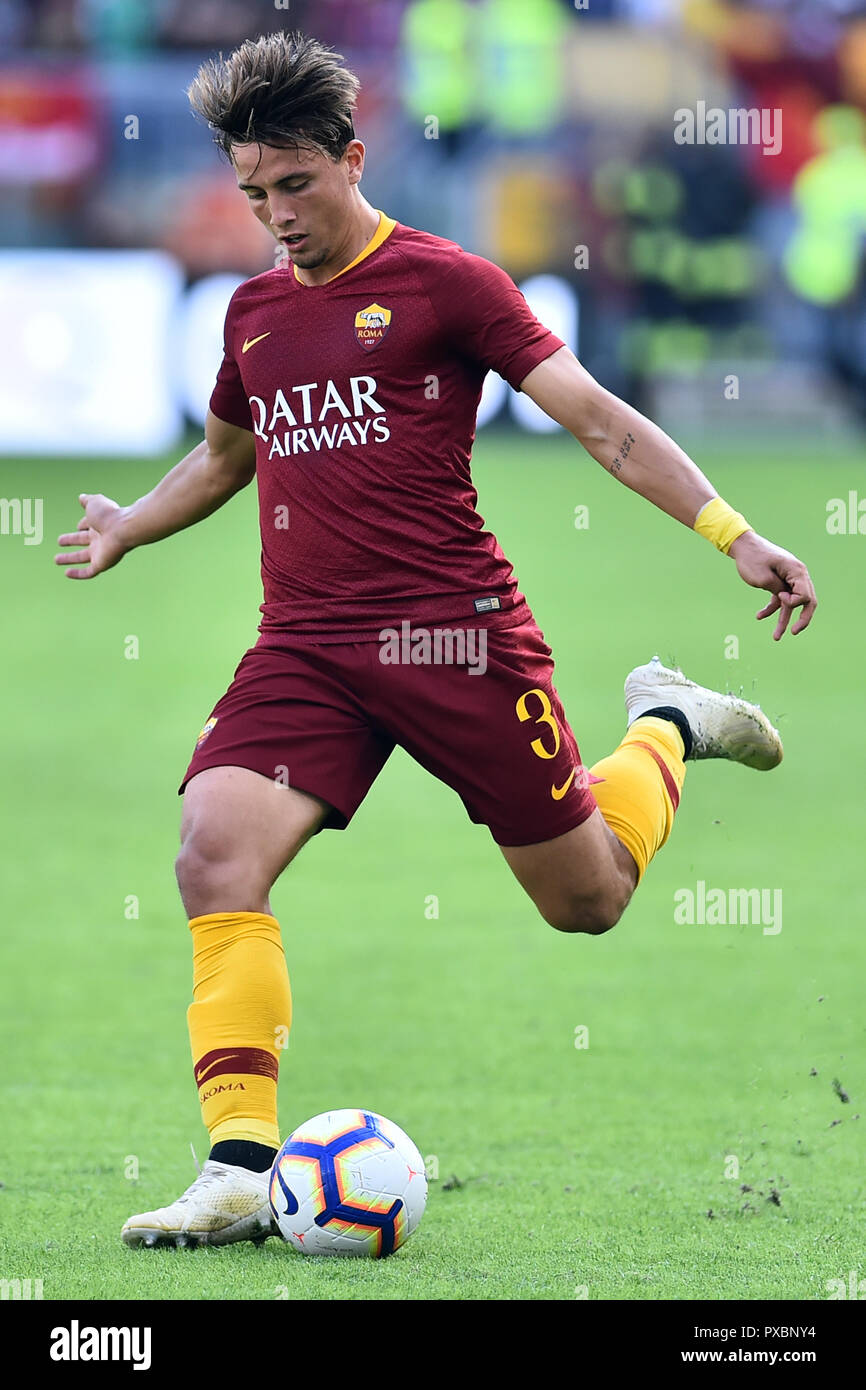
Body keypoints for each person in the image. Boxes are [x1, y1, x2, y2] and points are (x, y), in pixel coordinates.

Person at [55, 32, 817, 1248]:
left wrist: (730, 532)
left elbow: (601, 425)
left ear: (354, 158)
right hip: (303, 648)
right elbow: (221, 461)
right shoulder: (253, 314)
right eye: (255, 193)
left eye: (295, 185)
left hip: (451, 640)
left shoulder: (444, 283)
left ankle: (665, 721)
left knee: (588, 901)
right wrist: (128, 530)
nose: (276, 216)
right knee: (213, 854)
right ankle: (239, 1166)